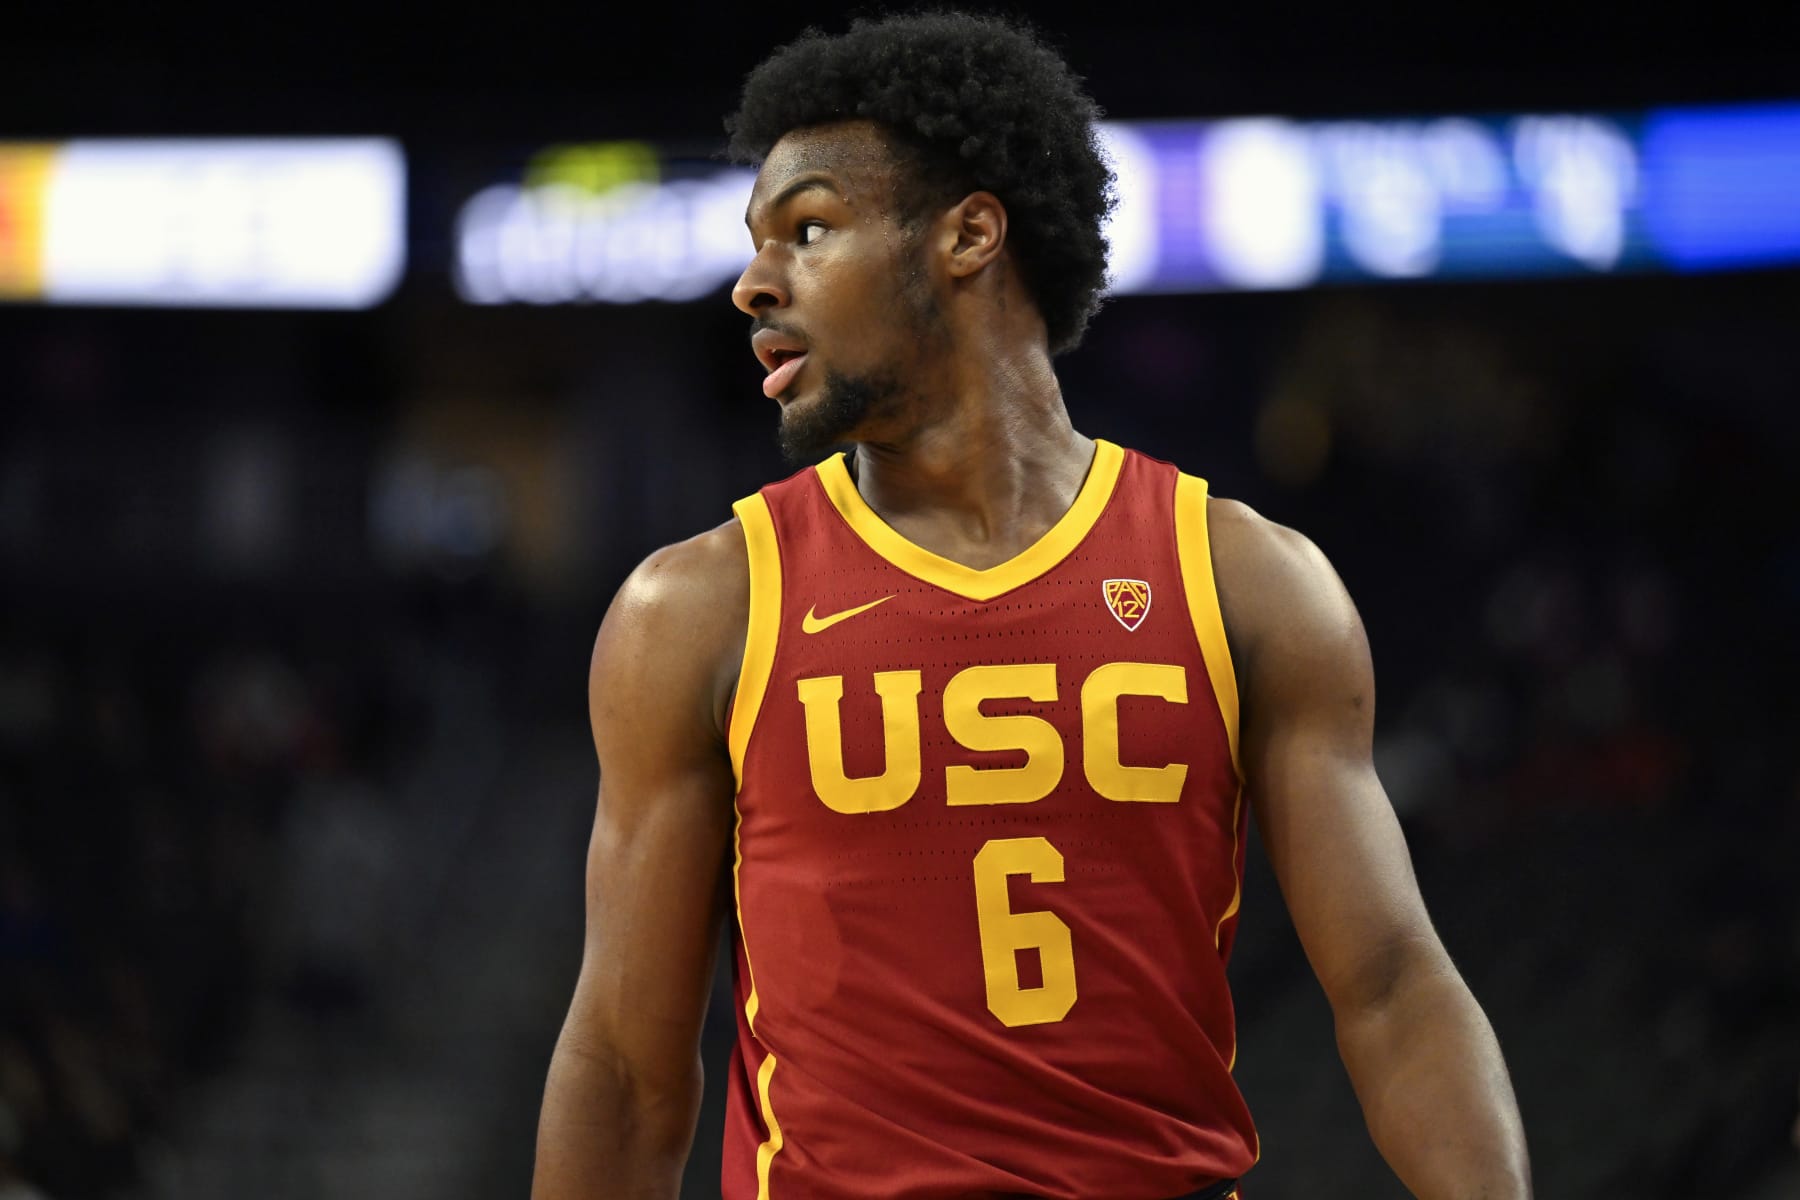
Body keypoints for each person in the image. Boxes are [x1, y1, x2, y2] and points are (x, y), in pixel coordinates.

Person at [532, 12, 1531, 1200]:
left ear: (967, 235)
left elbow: (1392, 987)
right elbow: (628, 1072)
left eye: (808, 230)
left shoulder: (1244, 579)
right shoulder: (697, 608)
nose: (755, 282)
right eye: (758, 244)